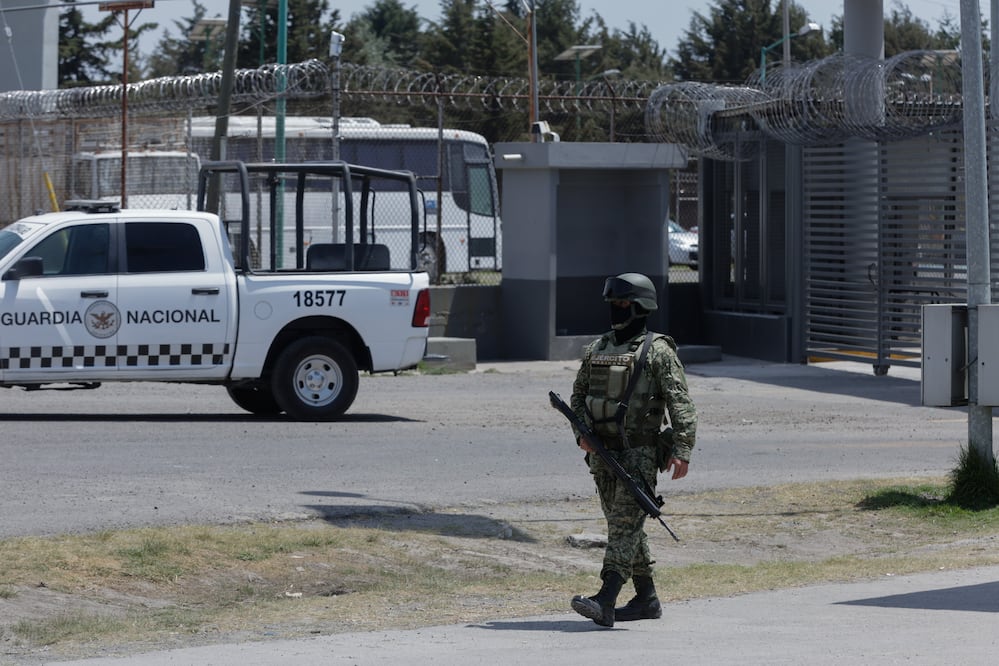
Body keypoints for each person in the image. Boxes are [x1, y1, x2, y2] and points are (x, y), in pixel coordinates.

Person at [568, 272, 697, 627]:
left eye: (623, 304)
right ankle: (646, 599)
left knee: (624, 527)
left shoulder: (657, 351)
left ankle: (605, 599)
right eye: (613, 304)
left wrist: (682, 447)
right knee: (624, 525)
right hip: (600, 454)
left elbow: (680, 403)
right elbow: (578, 396)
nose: (616, 310)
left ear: (640, 307)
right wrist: (581, 431)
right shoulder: (598, 348)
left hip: (638, 453)